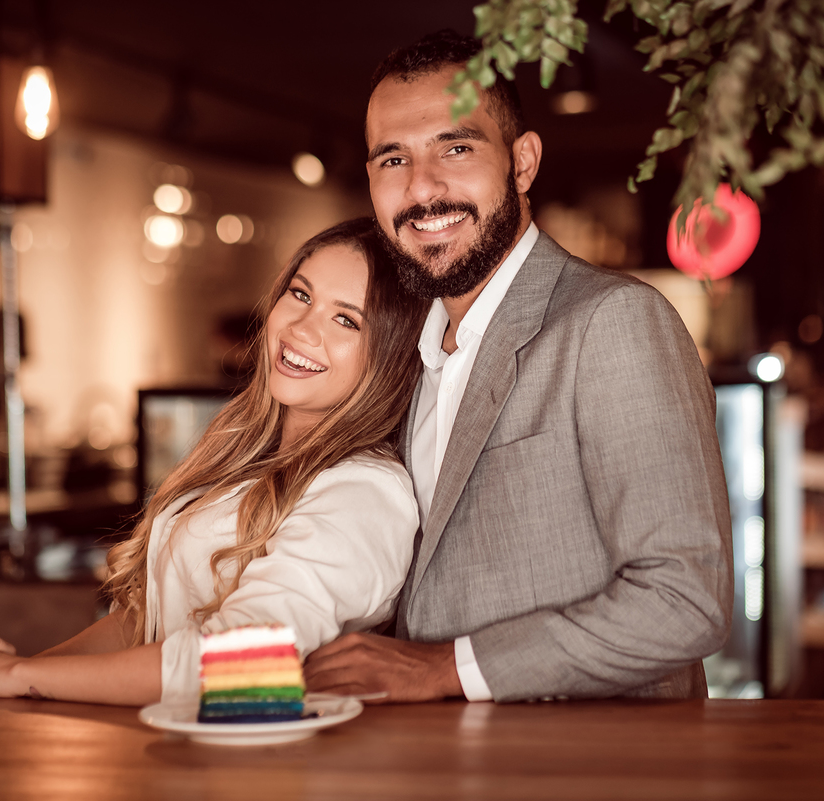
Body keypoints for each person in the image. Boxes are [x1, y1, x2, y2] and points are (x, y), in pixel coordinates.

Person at [304, 32, 734, 702]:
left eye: (456, 147)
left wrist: (445, 669)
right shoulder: (402, 356)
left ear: (523, 162)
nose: (422, 188)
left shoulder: (614, 322)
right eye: (394, 158)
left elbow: (685, 598)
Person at [0, 218, 430, 706]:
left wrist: (18, 676)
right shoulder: (245, 452)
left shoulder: (365, 491)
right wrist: (18, 675)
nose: (301, 327)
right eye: (300, 294)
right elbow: (143, 623)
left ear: (387, 357)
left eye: (346, 319)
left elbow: (244, 666)